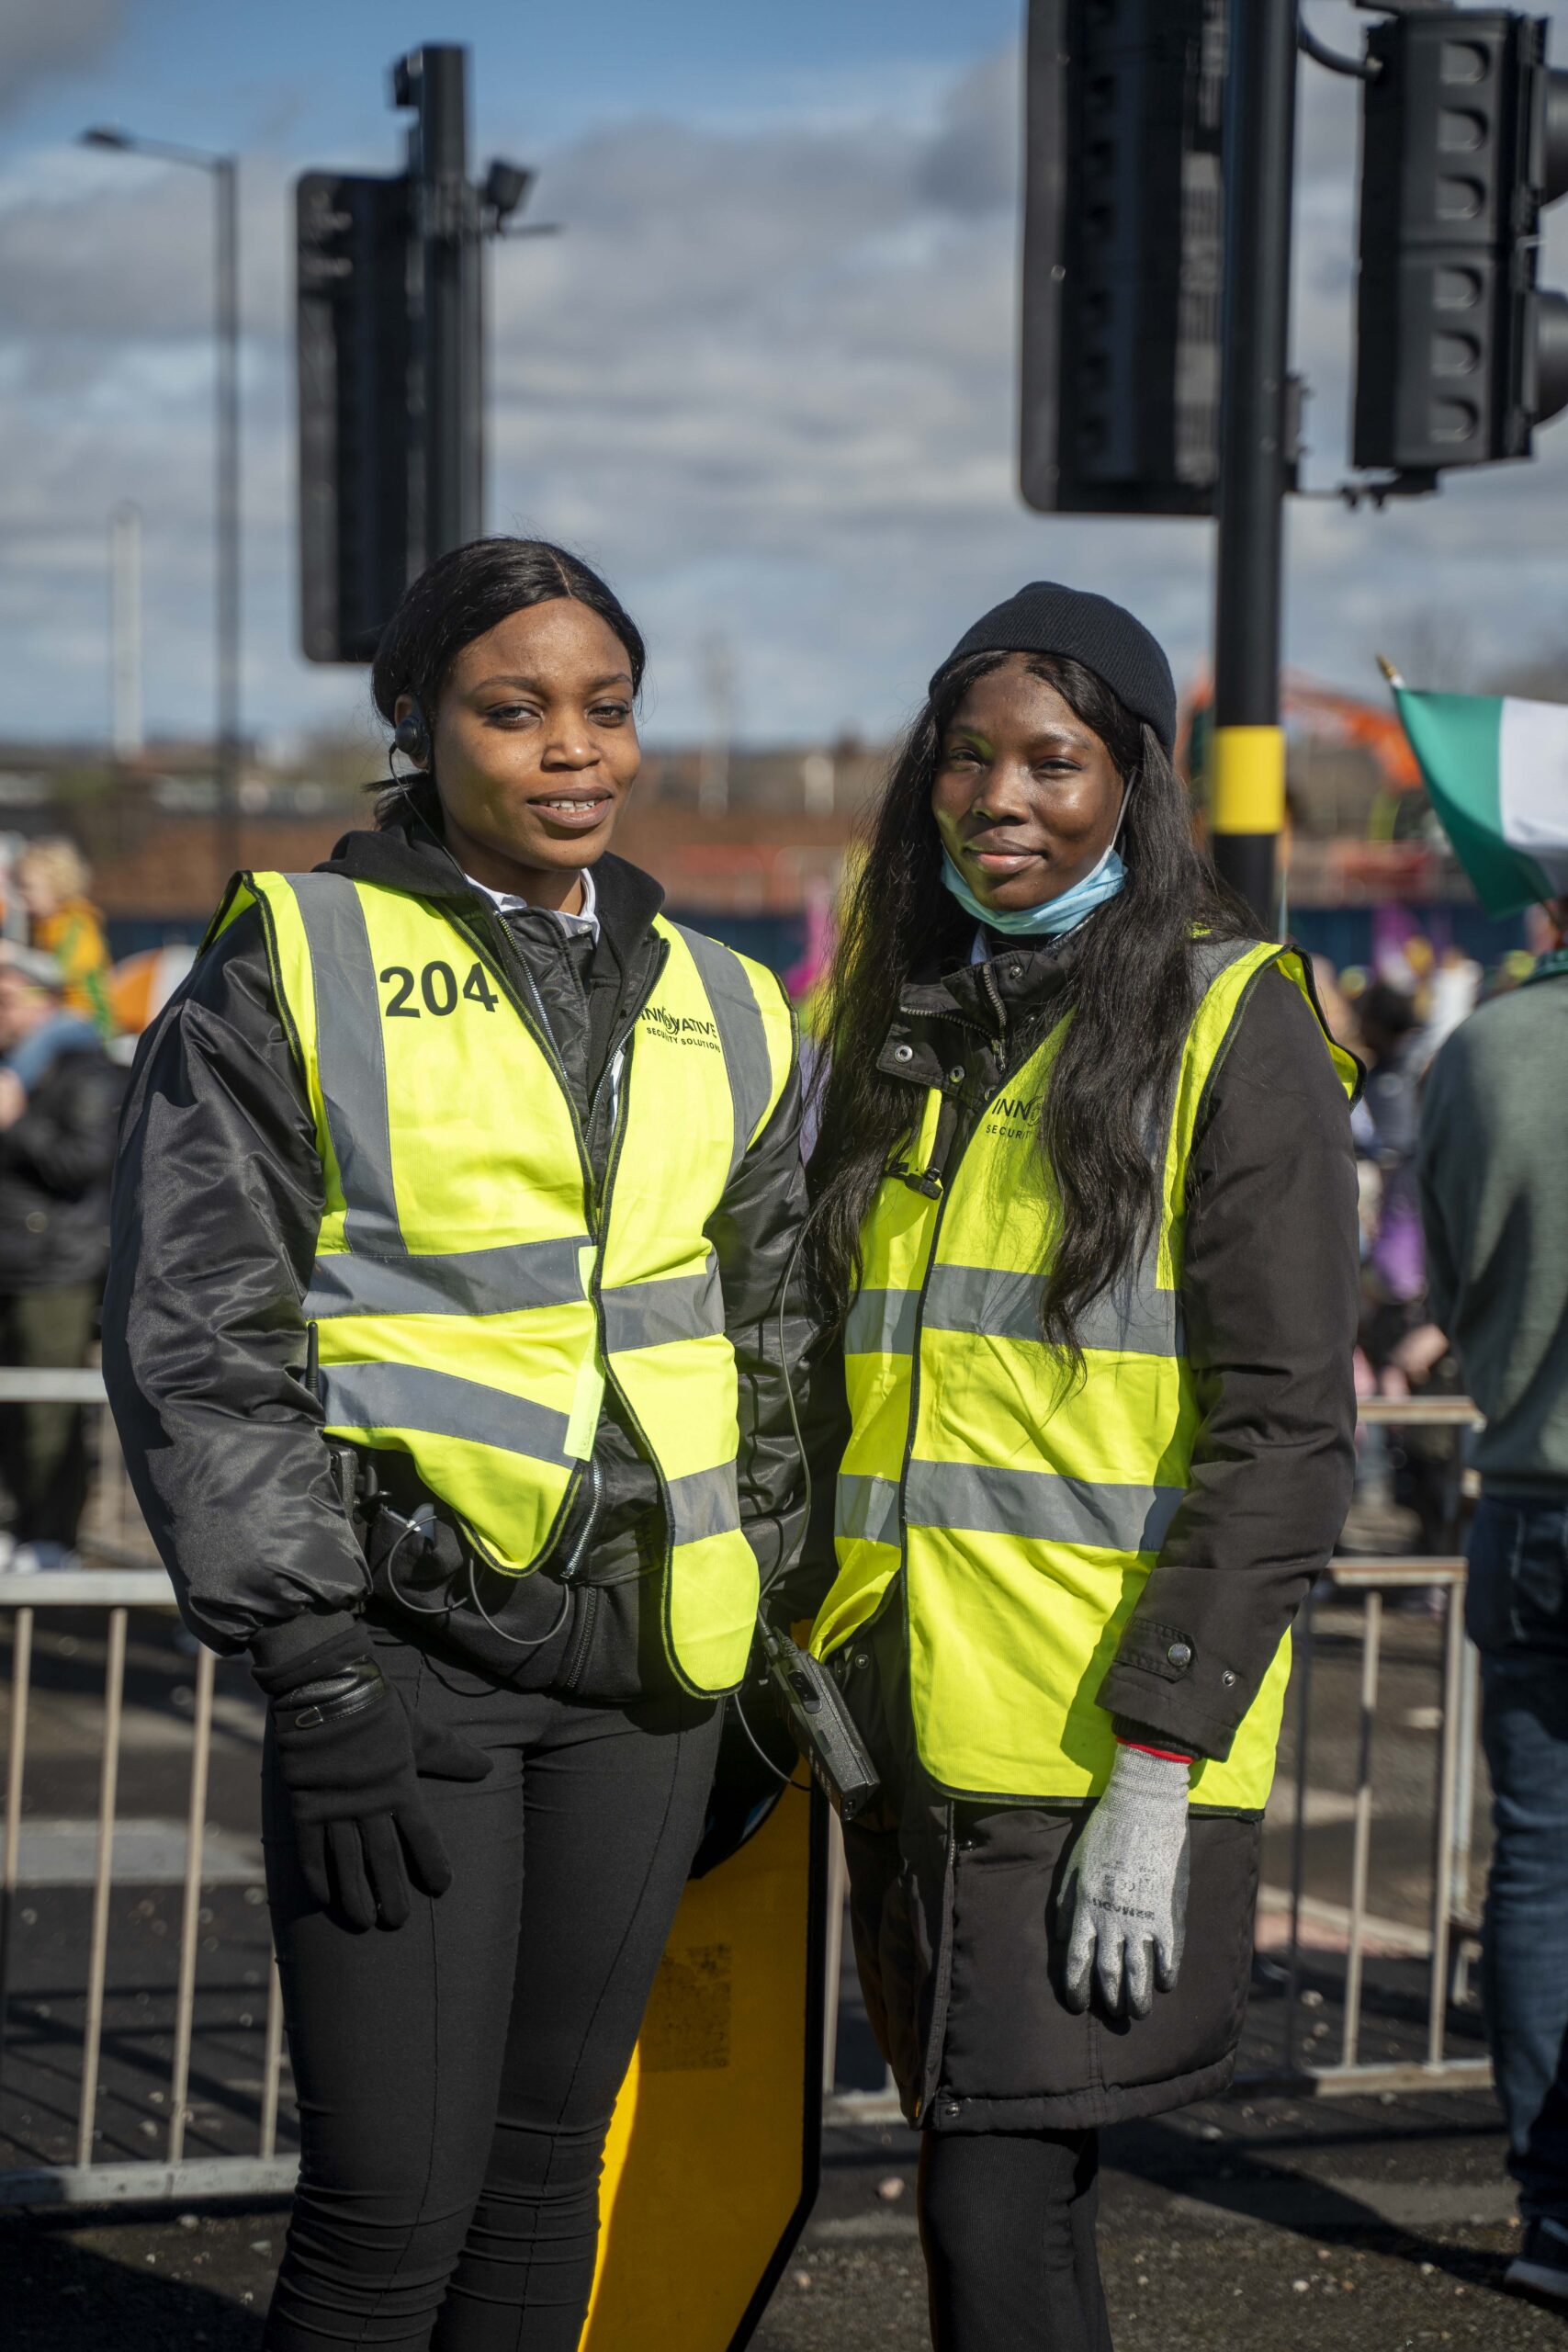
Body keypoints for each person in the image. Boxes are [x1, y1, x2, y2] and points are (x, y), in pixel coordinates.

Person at [102, 538, 815, 2352]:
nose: (573, 749)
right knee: (387, 2216)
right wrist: (310, 1656)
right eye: (515, 710)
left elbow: (771, 1337)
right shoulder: (298, 959)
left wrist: (760, 1620)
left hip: (647, 1678)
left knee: (538, 2183)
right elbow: (199, 1327)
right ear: (417, 723)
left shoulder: (730, 1004)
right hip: (402, 1666)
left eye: (606, 707)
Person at [803, 583, 1360, 2350]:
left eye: (1052, 759)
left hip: (1089, 1735)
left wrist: (1159, 1757)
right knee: (1000, 2193)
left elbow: (1285, 1431)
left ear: (1131, 783)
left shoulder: (1230, 1018)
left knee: (991, 2205)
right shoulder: (898, 1016)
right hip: (900, 1726)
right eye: (966, 757)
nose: (1002, 797)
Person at [1417, 899, 1568, 2307]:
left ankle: (1551, 2219)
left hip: (1525, 1502)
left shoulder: (1481, 1051)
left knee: (1535, 1868)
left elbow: (1451, 1278)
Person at [0, 944, 123, 1572]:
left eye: (9, 998)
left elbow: (85, 1164)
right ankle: (14, 1526)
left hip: (56, 1265)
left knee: (48, 1411)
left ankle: (53, 1533)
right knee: (11, 1412)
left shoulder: (83, 1069)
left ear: (45, 999)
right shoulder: (14, 1067)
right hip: (14, 1257)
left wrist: (18, 1124)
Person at [15, 837, 116, 1041]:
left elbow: (60, 974)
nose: (22, 894)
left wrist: (15, 956)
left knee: (45, 1036)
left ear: (58, 887)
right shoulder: (41, 926)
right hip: (57, 1010)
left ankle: (13, 1074)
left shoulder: (78, 925)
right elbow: (41, 987)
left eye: (28, 887)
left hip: (89, 1017)